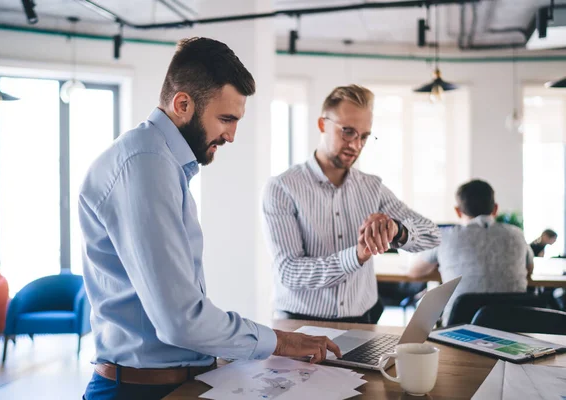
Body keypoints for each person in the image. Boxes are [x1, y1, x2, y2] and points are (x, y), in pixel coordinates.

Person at [79, 37, 340, 400]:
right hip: (140, 391)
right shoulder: (145, 166)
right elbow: (180, 321)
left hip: (170, 380)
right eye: (226, 119)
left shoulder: (160, 162)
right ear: (183, 104)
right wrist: (278, 341)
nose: (231, 135)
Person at [262, 84, 440, 325]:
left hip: (363, 322)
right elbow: (290, 272)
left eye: (364, 136)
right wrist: (355, 256)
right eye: (347, 132)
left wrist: (397, 230)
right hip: (299, 326)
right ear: (322, 124)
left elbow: (432, 235)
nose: (356, 145)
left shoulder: (372, 188)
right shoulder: (282, 188)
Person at [408, 179, 534, 325]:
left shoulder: (444, 236)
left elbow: (414, 272)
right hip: (513, 331)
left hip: (460, 331)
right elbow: (529, 269)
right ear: (495, 208)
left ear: (457, 211)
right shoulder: (517, 234)